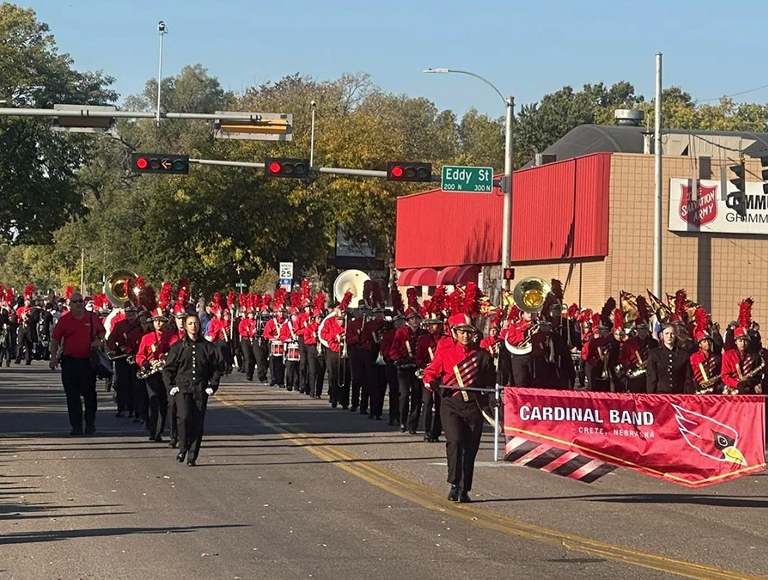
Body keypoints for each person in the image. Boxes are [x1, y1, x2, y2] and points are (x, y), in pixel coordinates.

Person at [423, 313, 496, 503]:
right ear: (454, 333)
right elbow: (431, 371)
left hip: (473, 406)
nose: (465, 336)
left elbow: (490, 383)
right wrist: (431, 381)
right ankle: (454, 483)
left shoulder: (482, 356)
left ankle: (464, 489)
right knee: (455, 441)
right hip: (451, 405)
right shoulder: (445, 353)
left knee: (470, 449)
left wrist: (493, 397)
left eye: (468, 332)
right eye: (461, 332)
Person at [163, 313, 221, 466]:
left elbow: (215, 368)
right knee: (183, 418)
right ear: (185, 326)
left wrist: (212, 385)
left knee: (197, 422)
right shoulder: (178, 347)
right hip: (182, 388)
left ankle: (192, 455)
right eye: (190, 323)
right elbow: (168, 369)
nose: (193, 326)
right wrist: (171, 386)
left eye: (195, 323)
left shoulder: (208, 347)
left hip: (200, 388)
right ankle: (182, 447)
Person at [49, 292, 106, 436]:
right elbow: (55, 339)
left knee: (90, 395)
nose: (79, 304)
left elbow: (102, 332)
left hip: (87, 362)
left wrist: (99, 340)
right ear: (70, 304)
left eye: (80, 301)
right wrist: (53, 357)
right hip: (70, 362)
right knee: (72, 396)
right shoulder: (64, 319)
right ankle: (76, 426)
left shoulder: (92, 317)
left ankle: (90, 423)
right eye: (75, 302)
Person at [135, 307, 177, 442]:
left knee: (164, 402)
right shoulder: (146, 337)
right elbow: (139, 355)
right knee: (153, 400)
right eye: (155, 321)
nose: (158, 323)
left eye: (160, 321)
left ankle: (160, 429)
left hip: (165, 371)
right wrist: (144, 362)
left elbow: (176, 352)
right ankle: (153, 430)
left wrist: (167, 358)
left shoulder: (172, 336)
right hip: (152, 372)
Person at [646, 324, 694, 394]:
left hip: (678, 394)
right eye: (666, 333)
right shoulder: (654, 354)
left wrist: (689, 395)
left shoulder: (684, 354)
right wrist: (651, 395)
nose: (669, 336)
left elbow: (688, 378)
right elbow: (651, 377)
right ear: (662, 335)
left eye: (672, 334)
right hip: (660, 394)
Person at [721, 327, 763, 394]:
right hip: (732, 389)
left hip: (749, 388)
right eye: (740, 341)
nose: (743, 343)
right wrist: (737, 384)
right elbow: (725, 376)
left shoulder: (754, 356)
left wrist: (749, 382)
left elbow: (758, 376)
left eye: (745, 340)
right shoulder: (728, 355)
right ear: (735, 342)